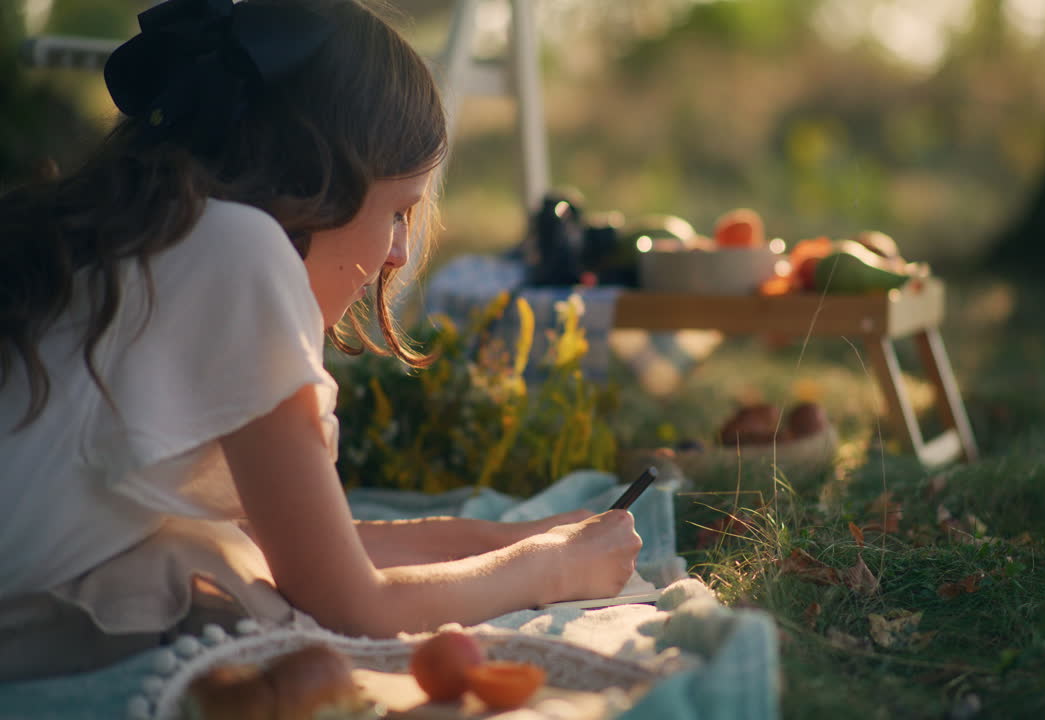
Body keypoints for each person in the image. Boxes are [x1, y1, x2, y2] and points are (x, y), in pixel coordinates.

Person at [0, 0, 641, 680]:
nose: (398, 254)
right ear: (313, 177)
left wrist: (504, 539)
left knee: (212, 554)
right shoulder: (237, 251)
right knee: (211, 581)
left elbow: (296, 545)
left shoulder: (147, 242)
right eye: (398, 210)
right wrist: (548, 569)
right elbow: (348, 602)